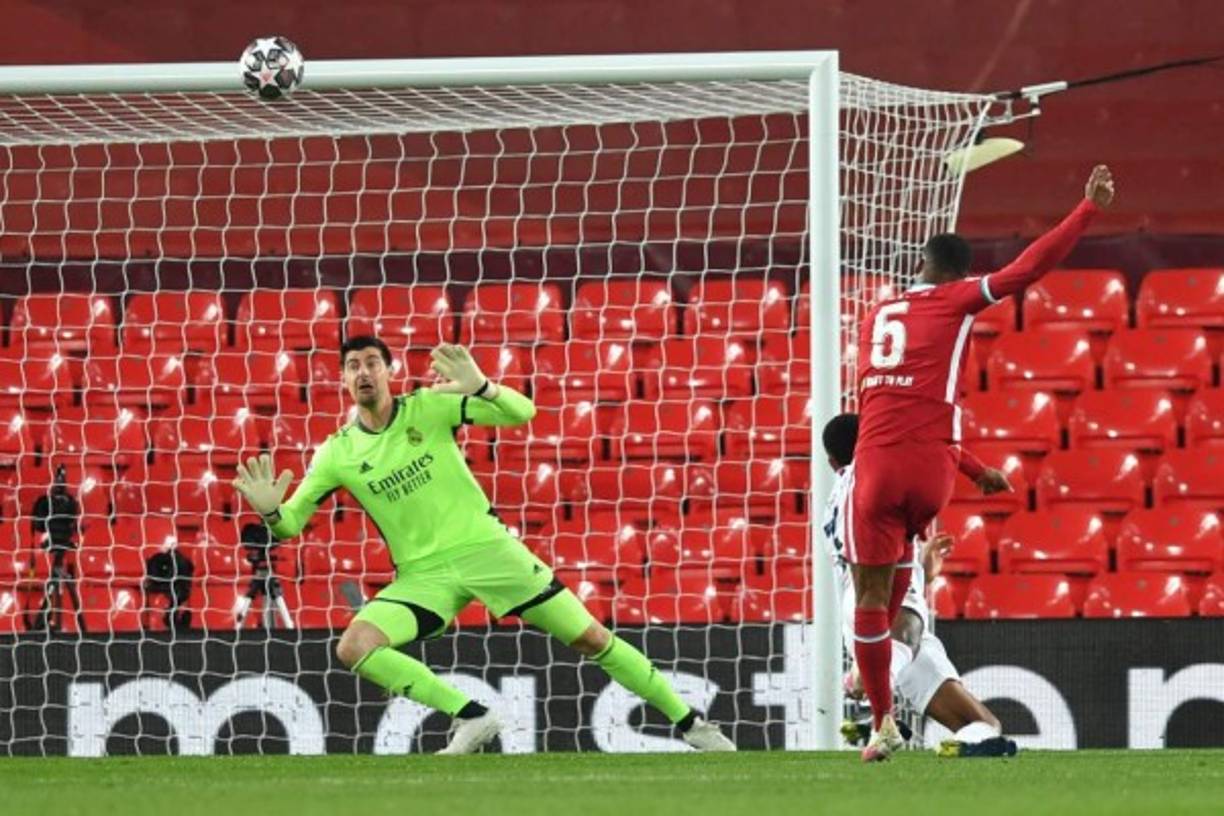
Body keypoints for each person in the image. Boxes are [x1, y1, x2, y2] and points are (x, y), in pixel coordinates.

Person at [233, 336, 734, 754]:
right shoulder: (337, 452)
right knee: (356, 645)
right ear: (343, 380)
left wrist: (486, 388)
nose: (362, 372)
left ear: (389, 370)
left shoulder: (428, 407)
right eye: (351, 366)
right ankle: (472, 715)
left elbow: (523, 413)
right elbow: (292, 524)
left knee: (591, 639)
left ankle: (691, 724)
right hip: (423, 576)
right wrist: (272, 512)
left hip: (488, 550)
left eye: (371, 363)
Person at [849, 165, 1116, 761]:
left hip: (876, 464)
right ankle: (894, 691)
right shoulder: (958, 299)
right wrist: (1086, 210)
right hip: (933, 469)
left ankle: (880, 721)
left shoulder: (875, 318)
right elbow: (1026, 270)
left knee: (869, 599)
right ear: (960, 273)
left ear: (920, 265)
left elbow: (882, 405)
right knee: (901, 586)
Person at [822, 413, 1018, 758]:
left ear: (831, 461)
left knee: (987, 729)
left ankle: (887, 708)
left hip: (879, 606)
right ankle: (868, 686)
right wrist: (979, 472)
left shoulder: (836, 500)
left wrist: (923, 572)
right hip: (874, 604)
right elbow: (942, 447)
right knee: (902, 632)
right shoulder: (872, 480)